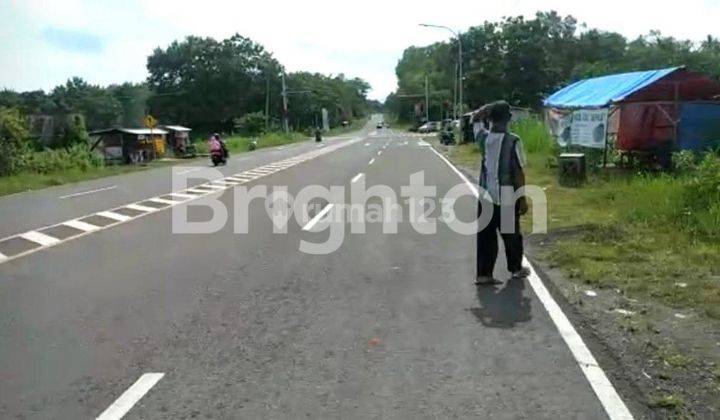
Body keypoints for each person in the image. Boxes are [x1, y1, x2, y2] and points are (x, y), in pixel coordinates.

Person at [474, 101, 530, 285]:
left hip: (485, 197)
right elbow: (518, 172)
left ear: (490, 119)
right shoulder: (513, 141)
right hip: (506, 195)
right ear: (509, 119)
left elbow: (475, 121)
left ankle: (484, 274)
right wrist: (521, 198)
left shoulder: (483, 138)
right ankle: (515, 269)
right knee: (511, 235)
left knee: (486, 238)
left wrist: (482, 112)